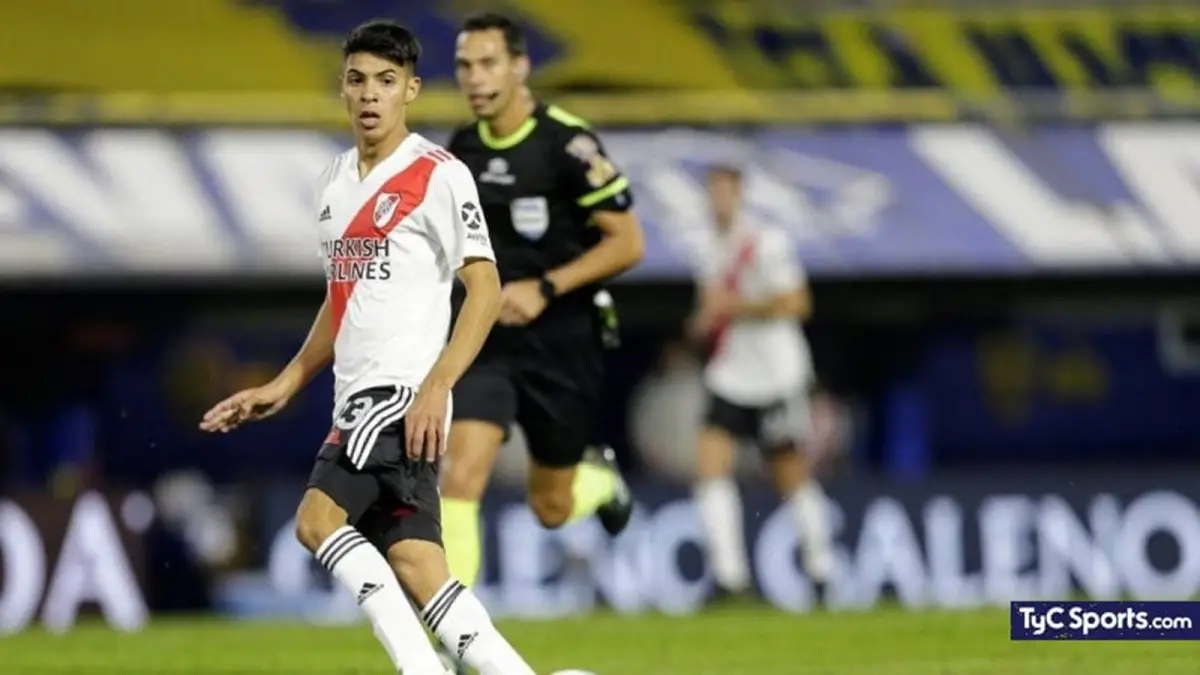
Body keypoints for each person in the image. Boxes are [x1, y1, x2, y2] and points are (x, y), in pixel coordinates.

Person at [199, 21, 534, 675]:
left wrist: (437, 384)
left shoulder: (439, 175)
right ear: (343, 88)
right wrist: (287, 381)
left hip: (401, 393)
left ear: (411, 89)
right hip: (359, 395)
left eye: (386, 81)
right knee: (418, 564)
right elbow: (342, 297)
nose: (370, 94)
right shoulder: (332, 182)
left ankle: (419, 669)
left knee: (317, 520)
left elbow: (486, 288)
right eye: (357, 80)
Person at [439, 12, 645, 590]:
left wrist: (546, 287)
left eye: (488, 63)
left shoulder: (567, 143)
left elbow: (628, 243)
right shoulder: (461, 148)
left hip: (562, 340)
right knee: (460, 474)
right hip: (488, 338)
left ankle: (600, 481)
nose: (474, 78)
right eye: (465, 66)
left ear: (520, 67)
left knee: (551, 507)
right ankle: (455, 629)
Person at [687, 165, 835, 601]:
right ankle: (729, 578)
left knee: (789, 473)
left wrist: (737, 307)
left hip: (776, 375)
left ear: (740, 195)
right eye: (712, 192)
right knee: (709, 467)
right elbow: (711, 308)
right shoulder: (706, 246)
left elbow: (798, 303)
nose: (718, 200)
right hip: (731, 372)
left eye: (725, 192)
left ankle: (821, 570)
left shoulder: (765, 242)